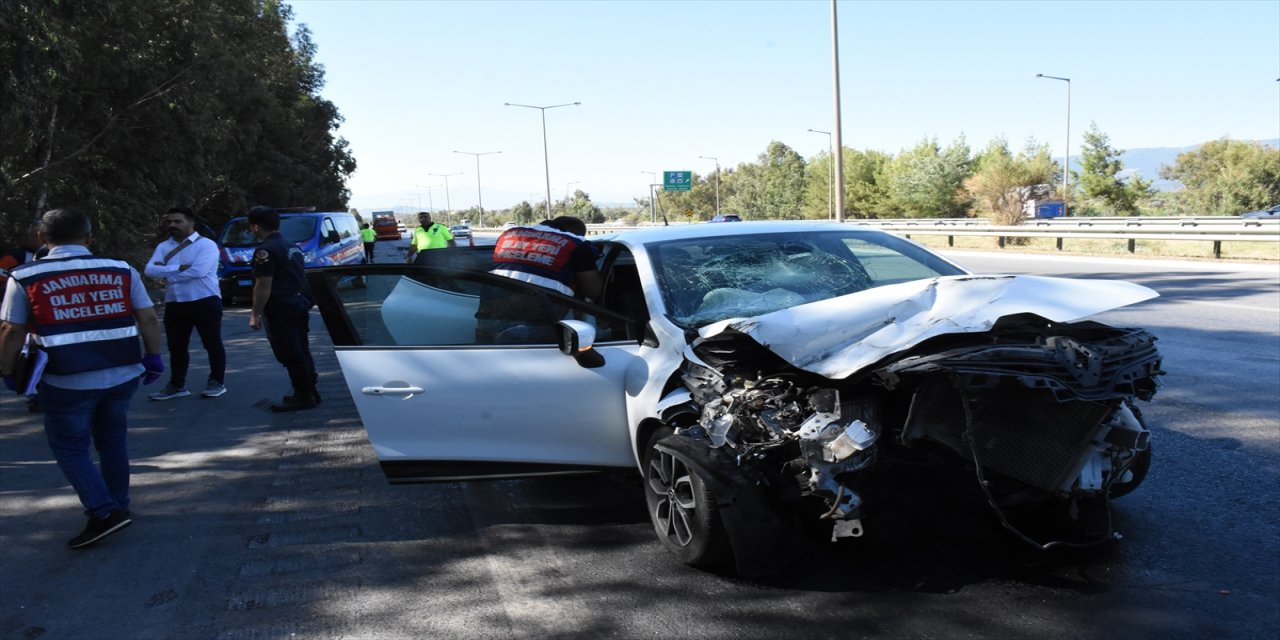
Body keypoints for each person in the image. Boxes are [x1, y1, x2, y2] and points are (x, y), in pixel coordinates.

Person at [0, 207, 164, 549]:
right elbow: (148, 318)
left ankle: (103, 512)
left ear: (42, 238)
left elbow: (11, 331)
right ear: (89, 237)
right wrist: (153, 357)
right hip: (122, 374)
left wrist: (8, 371)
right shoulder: (120, 269)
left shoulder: (26, 276)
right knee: (112, 442)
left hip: (66, 380)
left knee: (69, 447)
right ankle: (119, 504)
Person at [475, 216, 603, 343]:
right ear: (575, 233)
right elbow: (593, 291)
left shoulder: (509, 235)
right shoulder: (576, 244)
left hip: (489, 318)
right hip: (536, 324)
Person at [143, 207, 227, 400]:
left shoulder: (206, 245)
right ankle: (177, 385)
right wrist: (181, 268)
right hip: (175, 302)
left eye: (178, 221)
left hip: (205, 300)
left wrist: (166, 272)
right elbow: (149, 271)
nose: (172, 225)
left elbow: (199, 271)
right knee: (176, 346)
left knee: (212, 343)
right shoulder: (164, 246)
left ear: (191, 222)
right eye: (170, 221)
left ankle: (217, 381)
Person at [245, 206, 319, 412]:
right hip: (298, 303)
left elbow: (263, 285)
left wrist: (255, 314)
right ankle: (310, 390)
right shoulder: (290, 245)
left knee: (288, 351)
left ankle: (304, 395)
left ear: (255, 227)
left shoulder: (265, 250)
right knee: (301, 348)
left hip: (280, 307)